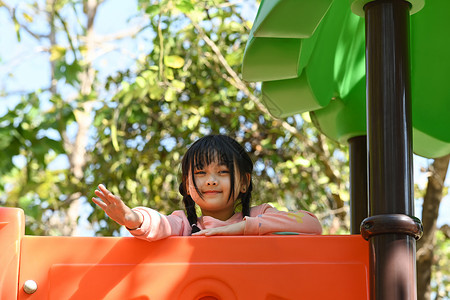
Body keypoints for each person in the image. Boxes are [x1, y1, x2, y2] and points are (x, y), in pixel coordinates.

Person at [92, 134, 322, 241]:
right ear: (187, 185)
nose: (210, 181)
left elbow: (312, 224)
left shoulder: (259, 215)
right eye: (200, 173)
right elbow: (160, 224)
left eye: (222, 172)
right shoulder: (186, 226)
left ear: (244, 182)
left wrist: (240, 228)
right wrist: (133, 218)